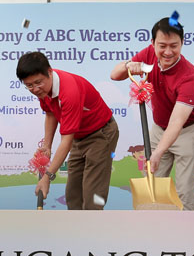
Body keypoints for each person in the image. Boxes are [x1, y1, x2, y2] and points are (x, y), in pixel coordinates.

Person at [110, 17, 194, 210]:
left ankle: (184, 236)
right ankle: (154, 233)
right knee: (153, 183)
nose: (168, 52)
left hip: (186, 132)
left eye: (174, 46)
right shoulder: (148, 56)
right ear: (152, 43)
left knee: (183, 194)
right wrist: (130, 65)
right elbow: (114, 74)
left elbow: (177, 121)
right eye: (162, 46)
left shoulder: (189, 75)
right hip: (159, 129)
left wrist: (158, 151)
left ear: (182, 44)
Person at [17, 51, 119, 210]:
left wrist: (47, 177)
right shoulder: (44, 89)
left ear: (50, 72)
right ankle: (76, 233)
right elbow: (51, 114)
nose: (35, 89)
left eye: (38, 83)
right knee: (73, 196)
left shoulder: (69, 91)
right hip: (79, 137)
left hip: (101, 134)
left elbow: (66, 141)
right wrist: (47, 146)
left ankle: (93, 232)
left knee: (92, 197)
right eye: (29, 85)